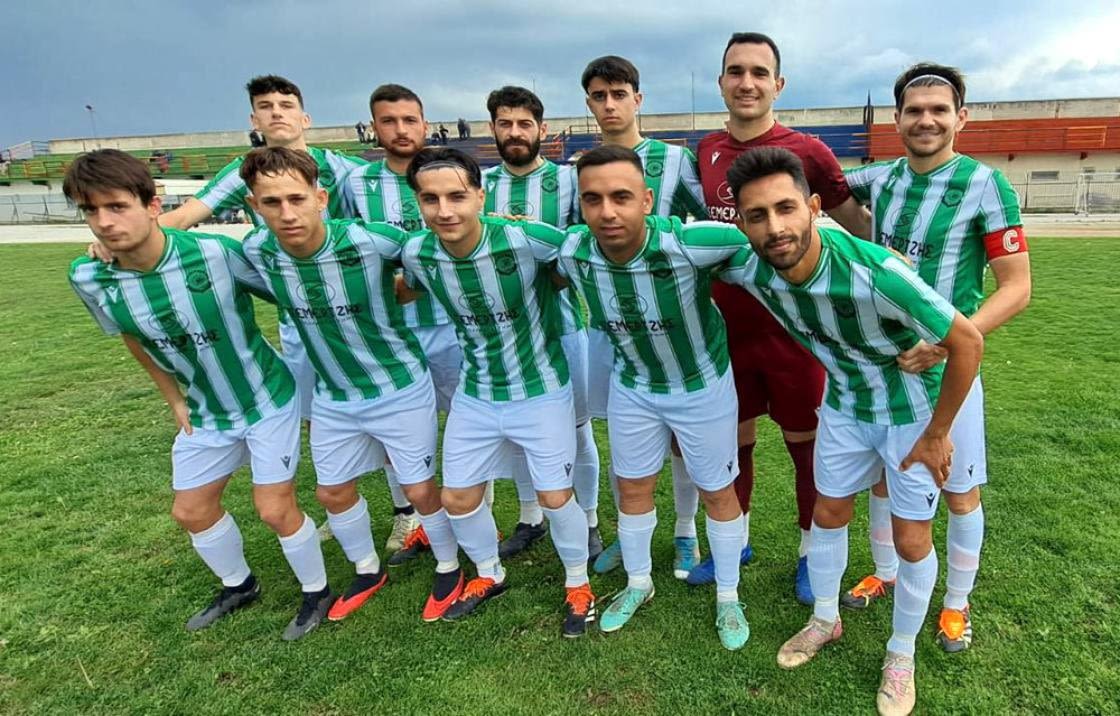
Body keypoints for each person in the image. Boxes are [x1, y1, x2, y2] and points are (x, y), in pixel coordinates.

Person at [720, 146, 983, 716]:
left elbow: (968, 342)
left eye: (786, 208)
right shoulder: (751, 264)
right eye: (757, 215)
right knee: (829, 512)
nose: (774, 227)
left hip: (911, 413)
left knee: (912, 539)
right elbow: (672, 237)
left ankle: (901, 653)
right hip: (842, 408)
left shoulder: (877, 273)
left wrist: (938, 433)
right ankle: (825, 619)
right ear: (741, 224)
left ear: (815, 208)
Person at [66, 149, 333, 641]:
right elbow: (132, 337)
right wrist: (173, 397)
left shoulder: (215, 253)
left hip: (266, 398)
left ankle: (317, 592)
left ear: (152, 205)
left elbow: (289, 288)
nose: (104, 222)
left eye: (117, 206)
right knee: (191, 511)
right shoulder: (88, 276)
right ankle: (240, 585)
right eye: (91, 211)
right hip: (207, 410)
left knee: (274, 509)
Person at [839, 63, 1031, 655]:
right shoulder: (880, 179)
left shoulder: (986, 185)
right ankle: (886, 572)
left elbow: (1017, 288)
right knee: (885, 478)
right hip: (885, 364)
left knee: (958, 490)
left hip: (949, 369)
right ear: (896, 119)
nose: (926, 120)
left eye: (938, 110)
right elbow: (822, 182)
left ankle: (956, 603)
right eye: (914, 110)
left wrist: (949, 342)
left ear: (960, 118)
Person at [239, 146, 467, 622]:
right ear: (254, 206)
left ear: (321, 198)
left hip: (398, 385)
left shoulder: (370, 240)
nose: (287, 213)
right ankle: (367, 569)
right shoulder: (257, 250)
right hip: (334, 395)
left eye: (297, 199)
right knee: (332, 492)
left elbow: (434, 246)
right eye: (272, 203)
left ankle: (449, 565)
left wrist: (404, 288)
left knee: (419, 488)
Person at [692, 32, 872, 600]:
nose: (747, 83)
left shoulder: (809, 152)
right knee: (732, 442)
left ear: (779, 84)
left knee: (806, 445)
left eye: (759, 72)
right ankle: (735, 541)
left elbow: (860, 227)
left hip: (797, 333)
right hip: (728, 332)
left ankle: (809, 553)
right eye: (736, 71)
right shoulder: (705, 150)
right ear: (721, 82)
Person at [555, 145, 749, 650]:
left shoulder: (688, 242)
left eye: (621, 197)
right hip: (635, 386)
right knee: (632, 488)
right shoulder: (573, 250)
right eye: (593, 199)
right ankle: (639, 583)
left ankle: (729, 595)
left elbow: (768, 238)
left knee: (718, 492)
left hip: (700, 386)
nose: (607, 212)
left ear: (646, 200)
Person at [399, 146, 595, 638]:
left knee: (555, 496)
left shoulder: (524, 239)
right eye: (430, 199)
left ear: (480, 197)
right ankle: (489, 573)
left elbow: (582, 246)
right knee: (457, 497)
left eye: (456, 196)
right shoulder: (418, 252)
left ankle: (578, 583)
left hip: (540, 389)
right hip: (477, 392)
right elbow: (405, 287)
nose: (444, 210)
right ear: (417, 202)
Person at [580, 55, 709, 579]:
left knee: (679, 437)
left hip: (675, 324)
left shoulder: (675, 160)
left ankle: (685, 530)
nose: (609, 105)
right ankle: (627, 533)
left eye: (618, 94)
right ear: (589, 103)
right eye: (599, 96)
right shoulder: (581, 168)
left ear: (638, 99)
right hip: (611, 324)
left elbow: (705, 221)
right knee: (623, 433)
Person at [480, 85, 602, 563]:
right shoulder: (480, 184)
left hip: (561, 323)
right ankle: (530, 517)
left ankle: (589, 521)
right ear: (492, 128)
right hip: (502, 333)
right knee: (517, 431)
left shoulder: (568, 180)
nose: (515, 132)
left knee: (578, 427)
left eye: (524, 124)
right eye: (505, 123)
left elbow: (581, 241)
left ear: (542, 130)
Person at [346, 85, 462, 561]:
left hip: (452, 325)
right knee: (398, 431)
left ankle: (470, 515)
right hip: (389, 332)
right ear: (374, 127)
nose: (400, 129)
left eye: (409, 119)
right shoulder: (356, 184)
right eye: (388, 121)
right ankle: (409, 515)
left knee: (465, 424)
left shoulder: (448, 175)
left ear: (424, 123)